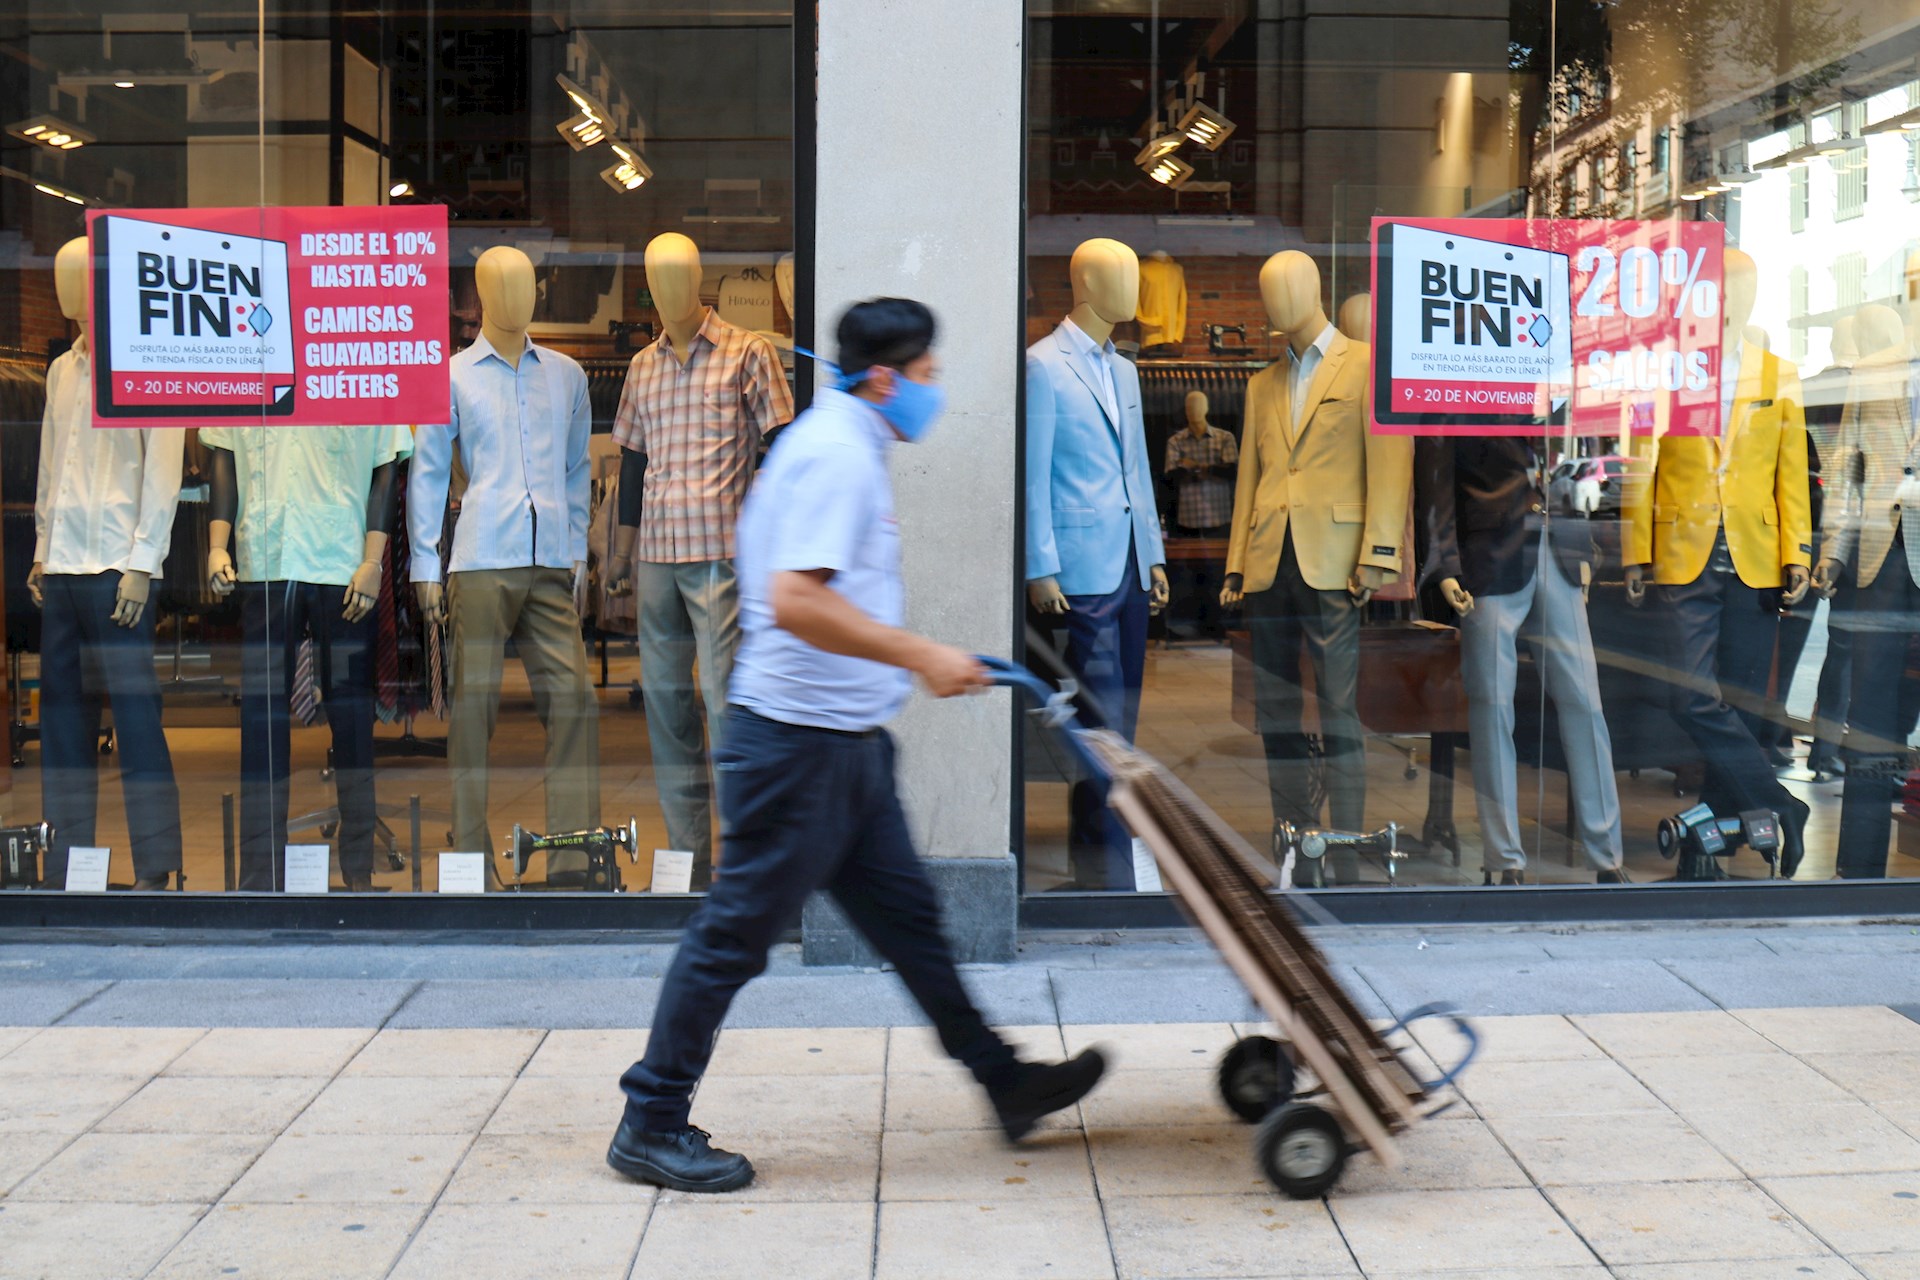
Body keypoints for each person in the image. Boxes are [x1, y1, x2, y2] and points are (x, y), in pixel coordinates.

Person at [607, 298, 1108, 1194]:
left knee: (913, 927)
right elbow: (796, 599)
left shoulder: (844, 441)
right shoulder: (836, 453)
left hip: (842, 746)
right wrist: (920, 656)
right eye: (926, 375)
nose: (934, 389)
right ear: (883, 378)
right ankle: (650, 1119)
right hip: (796, 751)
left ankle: (1006, 1083)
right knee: (733, 938)